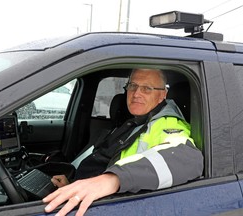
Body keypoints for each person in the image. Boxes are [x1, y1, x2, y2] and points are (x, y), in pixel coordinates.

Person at [43, 68, 204, 216]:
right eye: (132, 86)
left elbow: (188, 158)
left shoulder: (169, 124)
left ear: (163, 95)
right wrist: (72, 185)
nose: (136, 94)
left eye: (147, 88)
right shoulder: (132, 122)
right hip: (84, 199)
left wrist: (111, 180)